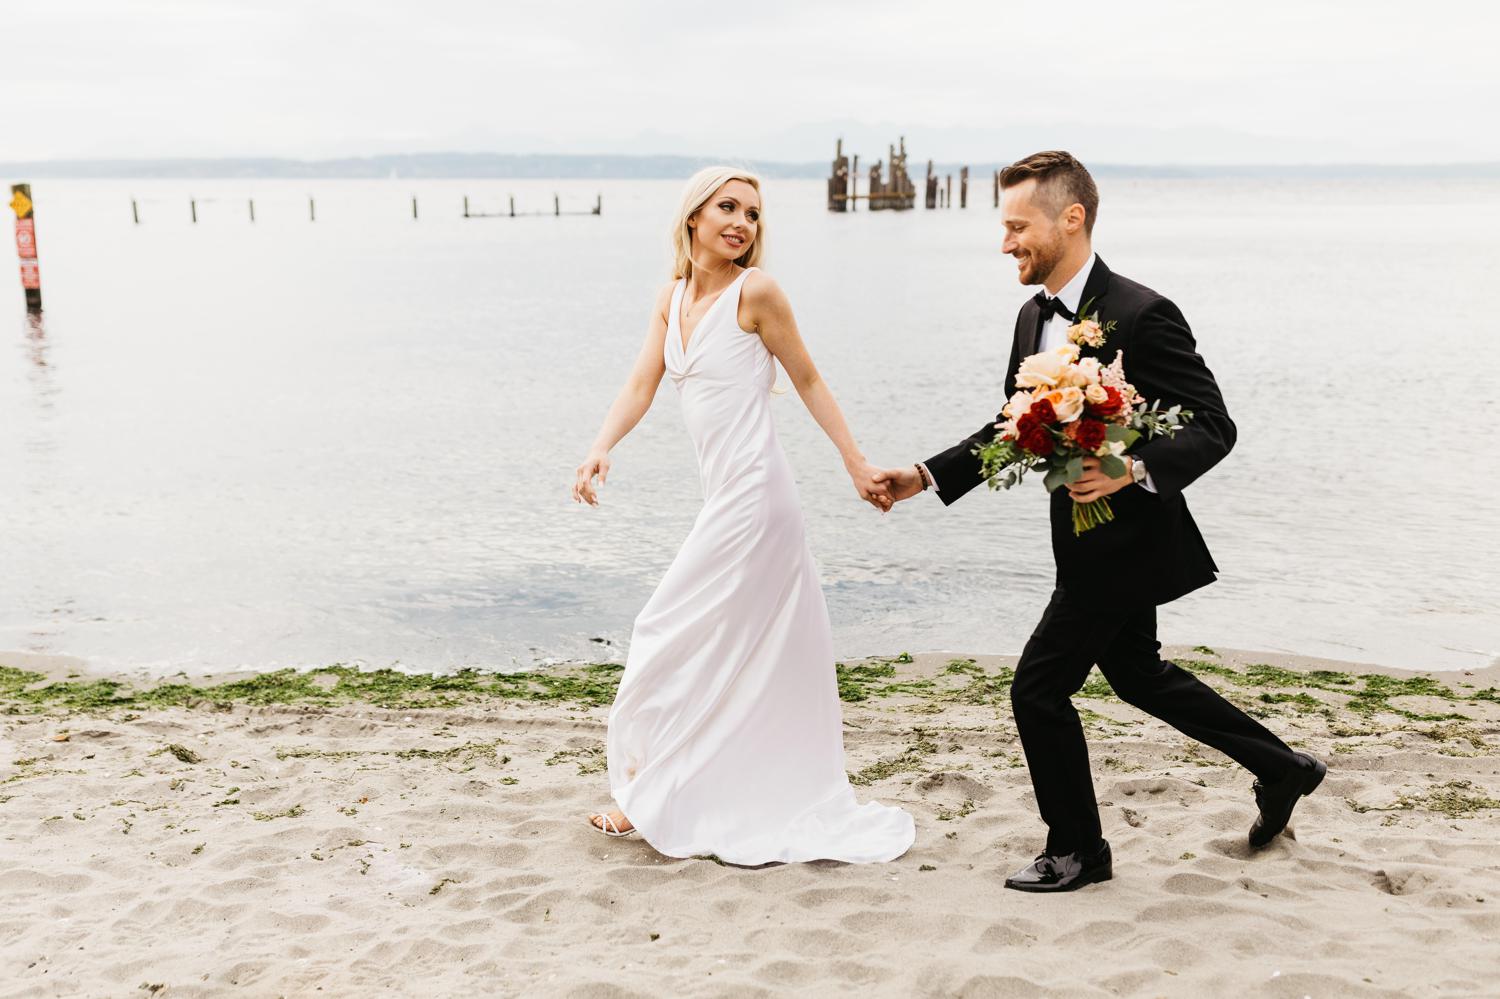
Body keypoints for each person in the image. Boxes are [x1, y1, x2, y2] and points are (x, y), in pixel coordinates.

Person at [875, 150, 1324, 892]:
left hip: (1126, 543)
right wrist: (925, 476)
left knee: (1036, 690)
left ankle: (1079, 849)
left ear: (1070, 217)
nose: (1006, 242)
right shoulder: (1031, 317)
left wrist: (1130, 466)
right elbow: (1014, 427)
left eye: (1018, 225)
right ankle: (1284, 767)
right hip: (1079, 542)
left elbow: (1214, 425)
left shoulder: (1144, 314)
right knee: (1138, 675)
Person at [571, 166, 914, 865]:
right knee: (717, 649)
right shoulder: (672, 298)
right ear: (694, 215)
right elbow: (642, 381)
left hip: (758, 499)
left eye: (753, 214)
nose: (742, 223)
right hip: (724, 497)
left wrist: (854, 462)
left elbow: (808, 378)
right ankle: (669, 794)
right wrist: (601, 446)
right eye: (728, 207)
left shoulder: (756, 292)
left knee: (665, 629)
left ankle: (650, 797)